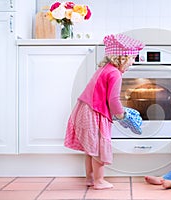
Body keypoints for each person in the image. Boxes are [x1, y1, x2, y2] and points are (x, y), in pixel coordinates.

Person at [64, 33, 144, 190]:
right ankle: (99, 181)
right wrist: (122, 116)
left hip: (84, 109)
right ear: (122, 58)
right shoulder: (115, 73)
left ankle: (90, 178)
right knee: (99, 148)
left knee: (91, 148)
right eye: (132, 58)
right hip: (95, 112)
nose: (133, 62)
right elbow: (113, 100)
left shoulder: (104, 69)